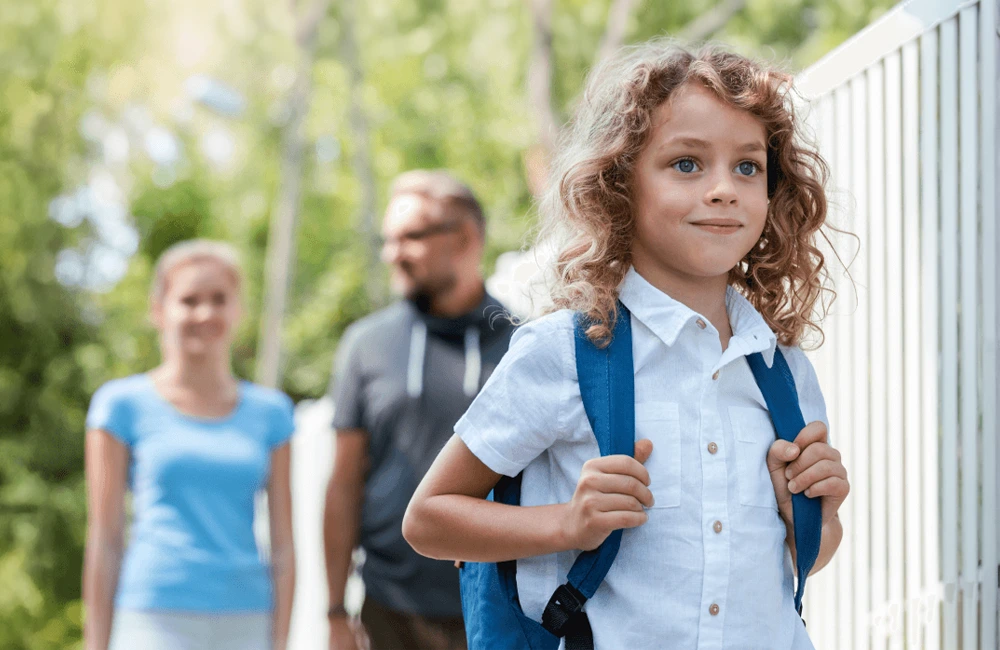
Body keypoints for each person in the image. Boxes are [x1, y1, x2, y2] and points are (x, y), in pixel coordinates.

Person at [403, 43, 850, 649]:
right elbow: (429, 519)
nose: (724, 188)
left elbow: (808, 558)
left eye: (747, 167)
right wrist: (568, 522)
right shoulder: (564, 352)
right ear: (619, 187)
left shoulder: (781, 370)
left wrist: (813, 515)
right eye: (687, 164)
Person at [324, 170, 515, 650]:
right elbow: (344, 481)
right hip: (391, 609)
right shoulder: (365, 345)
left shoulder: (524, 344)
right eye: (388, 240)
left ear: (466, 237)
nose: (393, 254)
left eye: (411, 237)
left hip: (500, 601)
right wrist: (333, 612)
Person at [82, 240, 296, 650]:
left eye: (219, 299)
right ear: (158, 310)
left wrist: (281, 641)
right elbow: (105, 539)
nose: (205, 313)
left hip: (248, 617)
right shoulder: (120, 405)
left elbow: (284, 548)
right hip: (153, 615)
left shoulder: (272, 413)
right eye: (189, 300)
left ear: (238, 310)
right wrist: (96, 643)